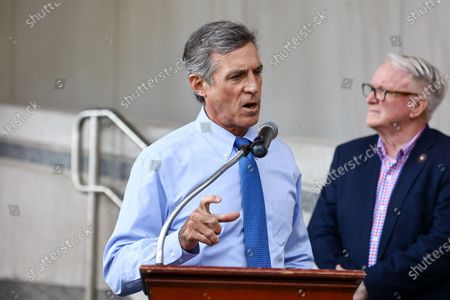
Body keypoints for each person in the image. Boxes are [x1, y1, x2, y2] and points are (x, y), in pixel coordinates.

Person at [103, 20, 314, 296]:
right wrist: (180, 242)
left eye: (257, 72)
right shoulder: (161, 160)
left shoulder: (280, 156)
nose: (252, 86)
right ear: (199, 84)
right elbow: (117, 270)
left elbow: (297, 258)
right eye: (237, 76)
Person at [308, 54, 450, 300]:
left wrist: (373, 283)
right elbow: (320, 230)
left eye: (384, 91)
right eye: (371, 89)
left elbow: (441, 244)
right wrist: (340, 276)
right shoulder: (348, 155)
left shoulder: (445, 157)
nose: (370, 98)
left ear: (416, 104)